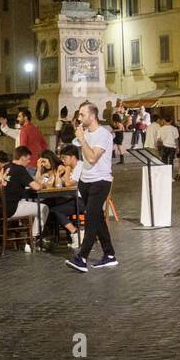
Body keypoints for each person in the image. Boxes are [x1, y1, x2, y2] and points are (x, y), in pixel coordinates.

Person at [66, 101, 117, 272]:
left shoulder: (103, 134)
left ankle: (82, 257)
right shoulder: (85, 133)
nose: (79, 118)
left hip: (100, 181)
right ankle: (109, 255)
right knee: (97, 218)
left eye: (82, 114)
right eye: (79, 115)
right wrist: (80, 135)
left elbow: (93, 157)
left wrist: (82, 139)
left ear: (93, 116)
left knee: (90, 218)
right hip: (85, 181)